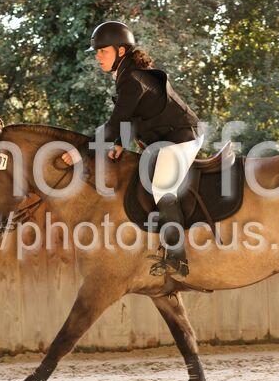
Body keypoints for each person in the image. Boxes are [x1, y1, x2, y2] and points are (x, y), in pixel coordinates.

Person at [61, 21, 203, 280]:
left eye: (103, 51)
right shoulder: (128, 75)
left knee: (161, 186)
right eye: (97, 52)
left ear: (121, 51)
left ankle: (177, 258)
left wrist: (81, 152)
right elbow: (133, 117)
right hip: (166, 139)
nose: (98, 57)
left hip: (182, 137)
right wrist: (119, 142)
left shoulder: (132, 79)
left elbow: (114, 123)